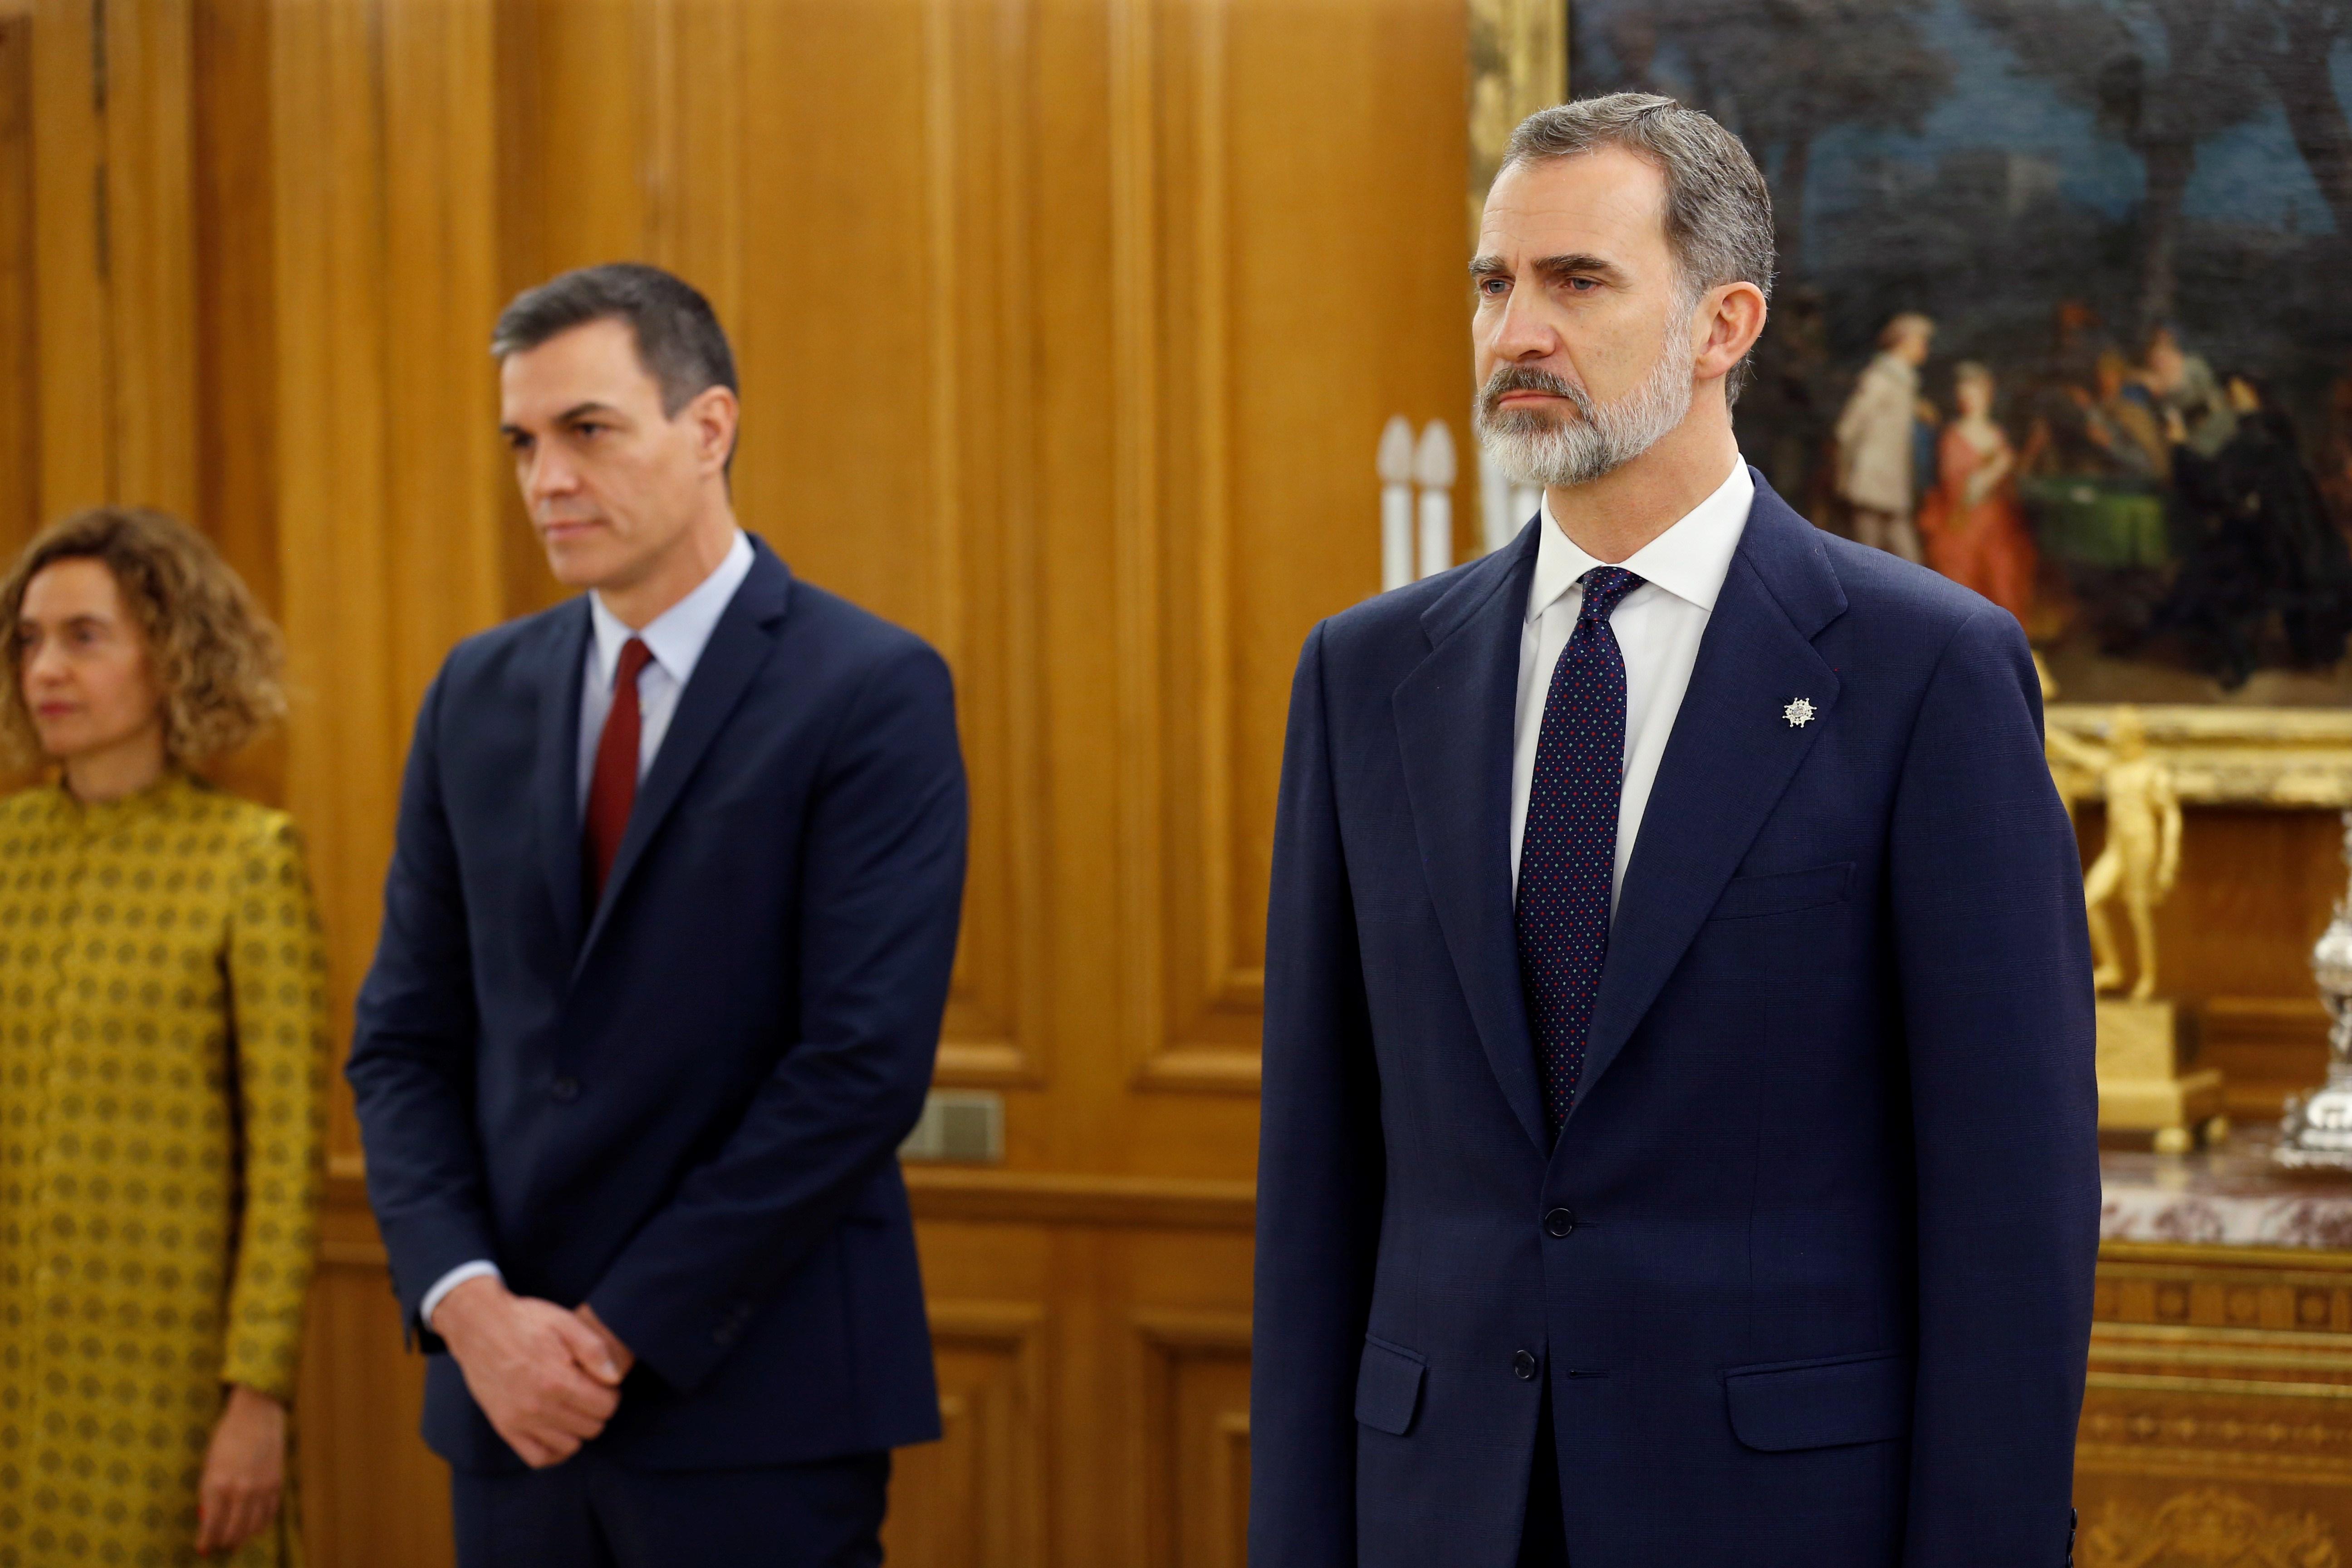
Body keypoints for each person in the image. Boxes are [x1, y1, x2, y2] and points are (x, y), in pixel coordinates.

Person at [1251, 93, 2095, 1568]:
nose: (1517, 329)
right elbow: (1318, 1172)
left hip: (1780, 1513)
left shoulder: (1924, 670)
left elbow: (2009, 1206)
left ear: (1723, 325)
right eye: (1492, 283)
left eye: (1577, 281)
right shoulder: (1365, 673)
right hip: (1436, 1506)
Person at [346, 264, 966, 1567]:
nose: (545, 480)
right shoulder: (475, 690)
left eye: (588, 431)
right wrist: (472, 1312)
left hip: (754, 1406)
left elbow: (857, 1070)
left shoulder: (871, 690)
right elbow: (403, 1040)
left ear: (711, 427)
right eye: (523, 442)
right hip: (506, 1411)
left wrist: (613, 1332)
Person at [0, 508, 328, 1565]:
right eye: (29, 638)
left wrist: (256, 1397)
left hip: (166, 1393)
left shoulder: (247, 858)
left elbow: (285, 1167)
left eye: (84, 635)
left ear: (173, 651)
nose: (46, 665)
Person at [1917, 362, 2039, 630]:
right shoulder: (1953, 437)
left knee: (2005, 579)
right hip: (1963, 525)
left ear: (1988, 395)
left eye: (1975, 394)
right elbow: (1961, 493)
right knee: (1963, 588)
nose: (1969, 401)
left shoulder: (1996, 435)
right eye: (1965, 396)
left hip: (1999, 525)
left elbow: (2010, 487)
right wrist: (1996, 469)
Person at [1833, 310, 1934, 561]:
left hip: (1891, 482)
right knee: (1870, 553)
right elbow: (1848, 427)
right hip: (1873, 479)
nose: (1925, 349)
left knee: (1896, 552)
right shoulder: (1880, 378)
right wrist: (1847, 470)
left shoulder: (1903, 381)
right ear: (1906, 341)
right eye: (1922, 341)